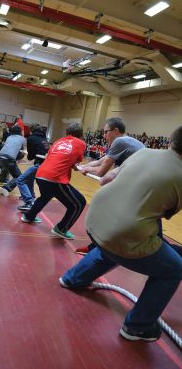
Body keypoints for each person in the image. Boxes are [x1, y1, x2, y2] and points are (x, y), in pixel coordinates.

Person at [59, 125, 182, 342]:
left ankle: (72, 279)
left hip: (95, 219)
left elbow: (107, 179)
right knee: (173, 269)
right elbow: (166, 211)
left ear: (172, 140)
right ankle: (138, 326)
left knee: (115, 242)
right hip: (121, 233)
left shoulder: (144, 152)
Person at [76, 117, 145, 255]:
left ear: (115, 131)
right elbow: (99, 162)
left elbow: (101, 171)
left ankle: (100, 247)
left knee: (103, 203)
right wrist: (82, 166)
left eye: (106, 132)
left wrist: (85, 169)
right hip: (137, 183)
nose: (104, 135)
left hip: (138, 184)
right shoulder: (126, 141)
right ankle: (96, 247)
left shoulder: (120, 141)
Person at [21, 122, 87, 240]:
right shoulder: (81, 143)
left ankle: (29, 216)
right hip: (55, 178)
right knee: (79, 203)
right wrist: (82, 168)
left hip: (40, 174)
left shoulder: (58, 141)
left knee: (45, 196)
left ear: (67, 131)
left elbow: (53, 157)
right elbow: (75, 164)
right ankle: (61, 229)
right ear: (80, 134)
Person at [16, 123, 50, 212]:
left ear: (32, 130)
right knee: (29, 180)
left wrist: (28, 153)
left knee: (20, 180)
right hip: (47, 164)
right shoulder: (45, 139)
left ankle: (29, 202)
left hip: (40, 165)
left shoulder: (31, 138)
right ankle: (32, 197)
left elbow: (30, 157)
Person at [0, 125, 25, 195]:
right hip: (9, 159)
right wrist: (18, 157)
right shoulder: (22, 139)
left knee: (6, 167)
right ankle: (7, 188)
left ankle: (1, 180)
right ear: (20, 132)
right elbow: (21, 151)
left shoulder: (9, 137)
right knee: (19, 177)